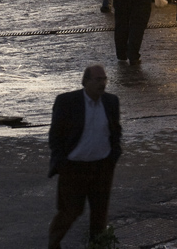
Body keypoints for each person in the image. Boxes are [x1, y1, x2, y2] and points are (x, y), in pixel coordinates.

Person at [47, 65, 122, 249]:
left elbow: (115, 131)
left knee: (99, 213)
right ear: (85, 81)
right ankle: (54, 244)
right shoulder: (67, 102)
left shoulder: (111, 102)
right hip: (74, 168)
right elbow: (55, 135)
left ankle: (97, 245)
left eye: (104, 79)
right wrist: (62, 162)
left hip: (101, 167)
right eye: (97, 79)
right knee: (70, 211)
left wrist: (113, 156)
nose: (102, 83)